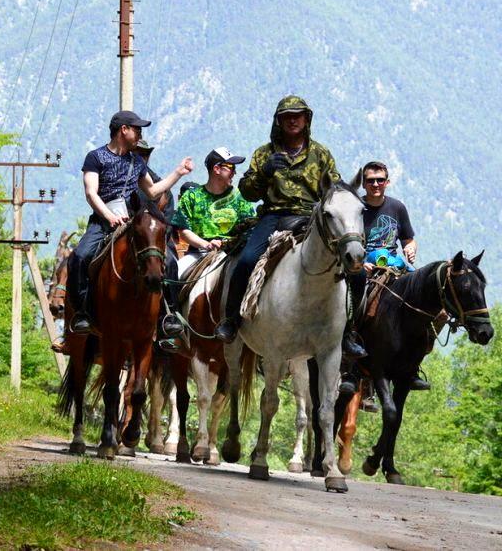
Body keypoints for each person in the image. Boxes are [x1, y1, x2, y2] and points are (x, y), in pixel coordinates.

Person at [214, 95, 366, 359]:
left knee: (356, 271)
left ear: (307, 119)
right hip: (274, 216)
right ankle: (231, 320)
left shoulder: (321, 153)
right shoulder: (264, 154)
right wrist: (264, 173)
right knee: (247, 259)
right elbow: (247, 192)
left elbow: (335, 190)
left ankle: (350, 331)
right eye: (287, 116)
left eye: (298, 115)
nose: (293, 120)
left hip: (312, 217)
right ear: (279, 122)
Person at [66, 110, 193, 336]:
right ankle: (83, 313)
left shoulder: (136, 162)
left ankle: (169, 315)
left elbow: (152, 191)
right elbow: (91, 193)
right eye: (137, 129)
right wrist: (109, 216)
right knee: (79, 256)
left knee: (170, 260)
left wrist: (178, 173)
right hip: (103, 222)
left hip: (133, 221)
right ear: (123, 129)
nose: (140, 133)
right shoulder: (95, 157)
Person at [348, 160, 429, 394]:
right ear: (363, 183)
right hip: (363, 267)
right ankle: (350, 364)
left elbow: (407, 238)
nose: (375, 184)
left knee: (428, 301)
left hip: (394, 265)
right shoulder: (356, 208)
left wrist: (412, 248)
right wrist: (360, 264)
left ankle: (412, 366)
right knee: (355, 304)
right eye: (371, 180)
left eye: (380, 180)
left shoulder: (397, 208)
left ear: (387, 182)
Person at [135, 138, 188, 352]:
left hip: (156, 243)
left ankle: (169, 318)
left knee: (171, 264)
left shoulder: (163, 189)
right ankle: (88, 314)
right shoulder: (121, 181)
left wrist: (157, 244)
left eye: (144, 153)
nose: (141, 157)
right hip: (126, 238)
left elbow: (166, 223)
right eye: (137, 152)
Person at [171, 146, 256, 278]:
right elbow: (183, 230)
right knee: (175, 272)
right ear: (216, 169)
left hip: (233, 252)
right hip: (198, 253)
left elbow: (249, 227)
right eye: (231, 168)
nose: (234, 173)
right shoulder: (191, 197)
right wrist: (206, 244)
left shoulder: (240, 197)